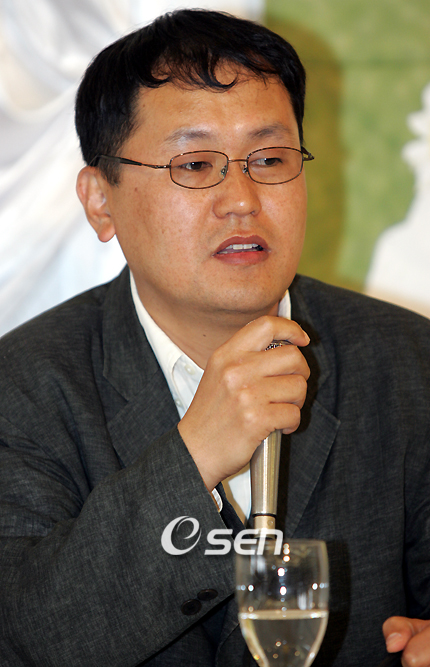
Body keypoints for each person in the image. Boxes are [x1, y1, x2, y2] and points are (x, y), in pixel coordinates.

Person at [0, 9, 429, 667]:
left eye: (271, 159)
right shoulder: (22, 388)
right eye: (196, 163)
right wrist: (195, 453)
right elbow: (28, 637)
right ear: (100, 201)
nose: (242, 199)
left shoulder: (409, 365)